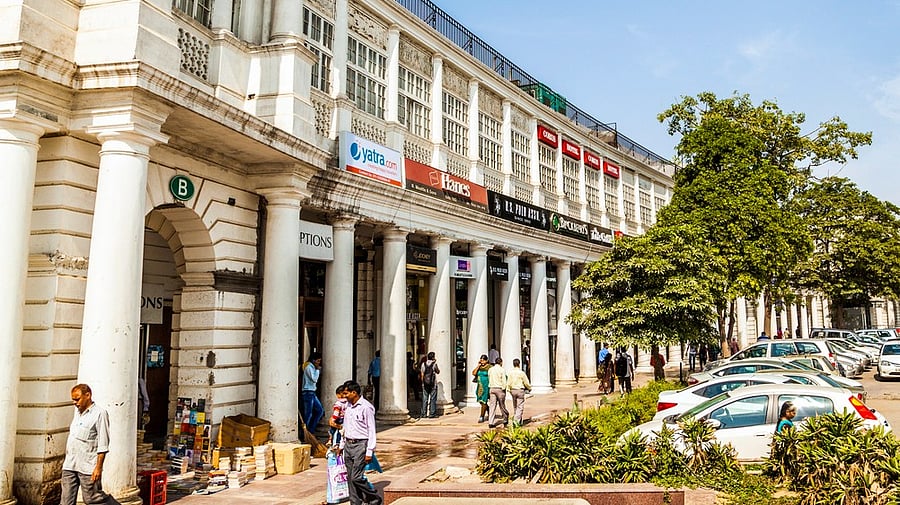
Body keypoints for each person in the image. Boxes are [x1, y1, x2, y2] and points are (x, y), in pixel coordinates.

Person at [61, 384, 112, 505]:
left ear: (87, 395)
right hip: (70, 465)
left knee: (92, 499)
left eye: (77, 399)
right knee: (66, 501)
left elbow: (103, 444)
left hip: (88, 466)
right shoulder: (77, 414)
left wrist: (98, 468)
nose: (75, 402)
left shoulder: (100, 414)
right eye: (73, 399)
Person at [337, 381, 383, 505]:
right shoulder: (348, 406)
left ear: (354, 393)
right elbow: (345, 426)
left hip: (361, 445)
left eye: (346, 393)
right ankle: (355, 502)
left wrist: (369, 450)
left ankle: (373, 496)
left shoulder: (366, 407)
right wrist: (341, 445)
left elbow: (371, 429)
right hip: (348, 444)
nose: (344, 396)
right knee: (350, 477)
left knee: (356, 477)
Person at [301, 352, 324, 435]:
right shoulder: (309, 368)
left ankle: (311, 430)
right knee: (308, 414)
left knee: (320, 411)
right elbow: (314, 379)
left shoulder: (312, 368)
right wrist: (317, 370)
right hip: (308, 392)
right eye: (318, 361)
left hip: (312, 392)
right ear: (313, 360)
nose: (319, 363)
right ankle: (306, 432)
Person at [506, 358, 531, 426]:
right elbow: (526, 382)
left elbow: (508, 382)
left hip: (513, 390)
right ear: (519, 364)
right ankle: (516, 421)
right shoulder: (521, 373)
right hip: (520, 390)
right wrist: (529, 388)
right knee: (520, 406)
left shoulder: (510, 373)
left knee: (515, 406)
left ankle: (517, 419)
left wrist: (508, 389)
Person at [487, 357, 509, 428]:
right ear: (501, 362)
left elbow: (489, 377)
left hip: (492, 388)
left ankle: (491, 422)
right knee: (502, 405)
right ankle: (505, 419)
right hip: (499, 389)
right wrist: (504, 389)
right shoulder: (502, 370)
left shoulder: (490, 369)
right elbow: (504, 380)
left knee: (492, 406)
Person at [419, 351, 440, 418]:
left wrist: (423, 383)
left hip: (425, 384)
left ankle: (423, 414)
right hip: (433, 384)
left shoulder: (423, 364)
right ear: (433, 357)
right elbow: (438, 371)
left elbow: (422, 375)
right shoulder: (434, 364)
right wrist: (435, 362)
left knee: (425, 399)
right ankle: (432, 414)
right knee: (433, 399)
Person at [472, 354, 492, 423]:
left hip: (486, 386)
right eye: (481, 360)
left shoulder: (490, 367)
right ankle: (487, 409)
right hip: (480, 386)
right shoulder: (479, 368)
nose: (482, 361)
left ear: (486, 360)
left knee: (484, 400)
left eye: (483, 360)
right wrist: (478, 366)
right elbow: (474, 373)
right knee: (480, 400)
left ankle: (482, 416)